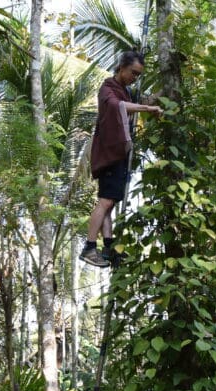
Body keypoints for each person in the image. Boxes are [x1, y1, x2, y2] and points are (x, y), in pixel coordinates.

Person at [81, 50, 163, 268]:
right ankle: (89, 247)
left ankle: (108, 246)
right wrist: (148, 108)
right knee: (105, 201)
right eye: (133, 73)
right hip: (108, 153)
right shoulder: (108, 88)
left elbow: (141, 101)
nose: (135, 78)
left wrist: (161, 92)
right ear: (122, 67)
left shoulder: (126, 92)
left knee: (109, 202)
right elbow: (117, 106)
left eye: (138, 75)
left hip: (117, 154)